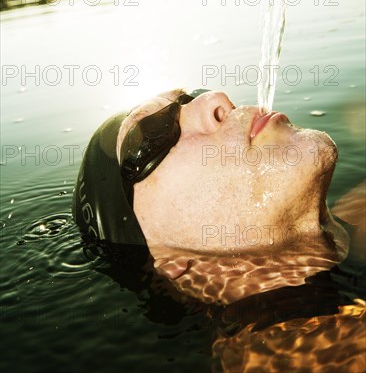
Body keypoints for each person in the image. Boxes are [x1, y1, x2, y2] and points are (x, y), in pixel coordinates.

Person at [73, 88, 357, 305]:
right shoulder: (288, 356)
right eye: (151, 133)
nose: (216, 98)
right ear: (172, 262)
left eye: (191, 95)